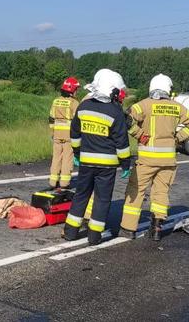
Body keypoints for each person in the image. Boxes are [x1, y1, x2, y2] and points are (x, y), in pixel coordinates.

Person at [119, 74, 189, 241]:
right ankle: (156, 228)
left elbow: (125, 118)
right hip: (168, 160)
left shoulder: (144, 105)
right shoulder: (177, 107)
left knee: (136, 191)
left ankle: (128, 229)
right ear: (167, 89)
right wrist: (178, 138)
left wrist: (139, 134)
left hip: (147, 159)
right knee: (161, 192)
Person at [63, 69, 131, 246]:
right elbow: (122, 143)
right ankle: (94, 237)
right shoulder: (115, 112)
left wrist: (77, 154)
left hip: (86, 162)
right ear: (112, 90)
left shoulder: (83, 106)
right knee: (102, 199)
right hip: (107, 166)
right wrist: (125, 164)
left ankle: (70, 232)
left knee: (80, 195)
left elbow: (75, 134)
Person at [48, 77, 81, 189]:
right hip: (69, 136)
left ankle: (53, 182)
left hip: (57, 135)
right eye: (76, 89)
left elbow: (51, 118)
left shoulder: (56, 101)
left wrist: (53, 131)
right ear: (72, 90)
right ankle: (64, 183)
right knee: (67, 159)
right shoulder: (75, 103)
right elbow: (78, 121)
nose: (77, 91)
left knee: (56, 158)